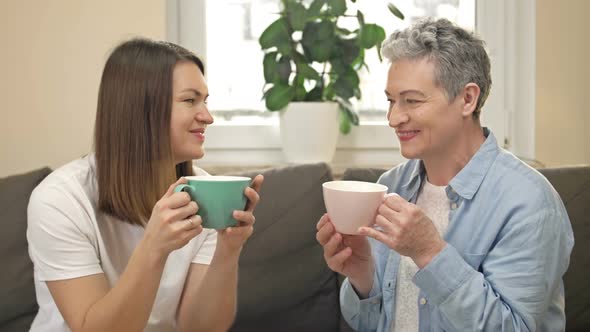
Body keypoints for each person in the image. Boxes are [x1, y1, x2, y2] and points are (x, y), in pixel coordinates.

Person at [316, 18, 574, 332]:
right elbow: (368, 323)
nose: (394, 117)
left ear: (468, 99)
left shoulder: (530, 204)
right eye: (391, 101)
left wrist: (429, 252)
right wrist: (362, 277)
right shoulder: (391, 186)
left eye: (411, 100)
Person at [26, 38, 264, 332]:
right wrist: (154, 248)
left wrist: (228, 250)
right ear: (141, 109)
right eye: (190, 100)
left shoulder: (204, 191)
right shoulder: (60, 200)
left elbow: (201, 328)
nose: (208, 116)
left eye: (205, 100)